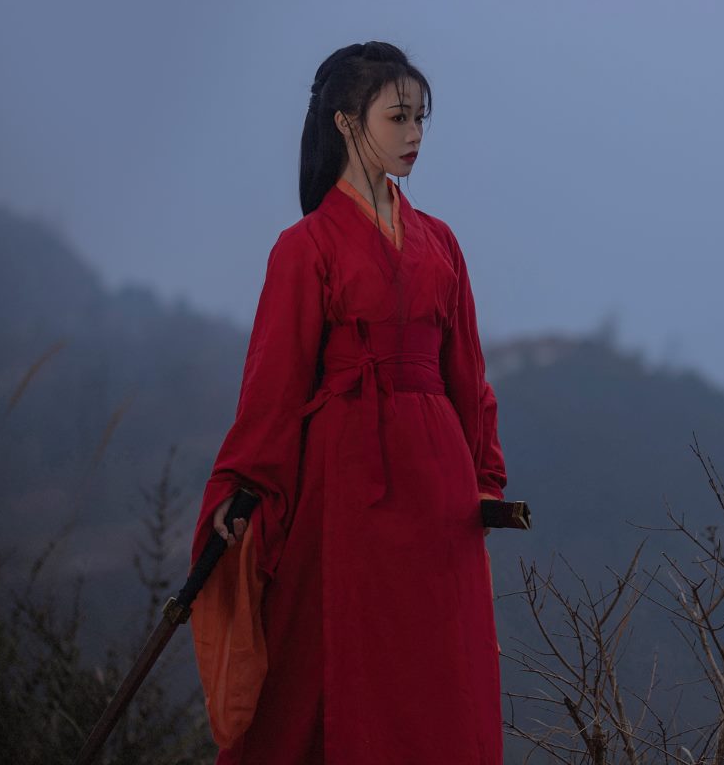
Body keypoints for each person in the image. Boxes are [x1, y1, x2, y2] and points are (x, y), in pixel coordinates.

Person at [187, 41, 507, 764]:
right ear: (345, 122)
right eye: (398, 118)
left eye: (420, 118)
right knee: (331, 655)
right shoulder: (304, 247)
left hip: (439, 483)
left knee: (437, 660)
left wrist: (485, 479)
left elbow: (467, 373)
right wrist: (244, 482)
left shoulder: (441, 243)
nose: (415, 134)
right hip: (344, 478)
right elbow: (273, 385)